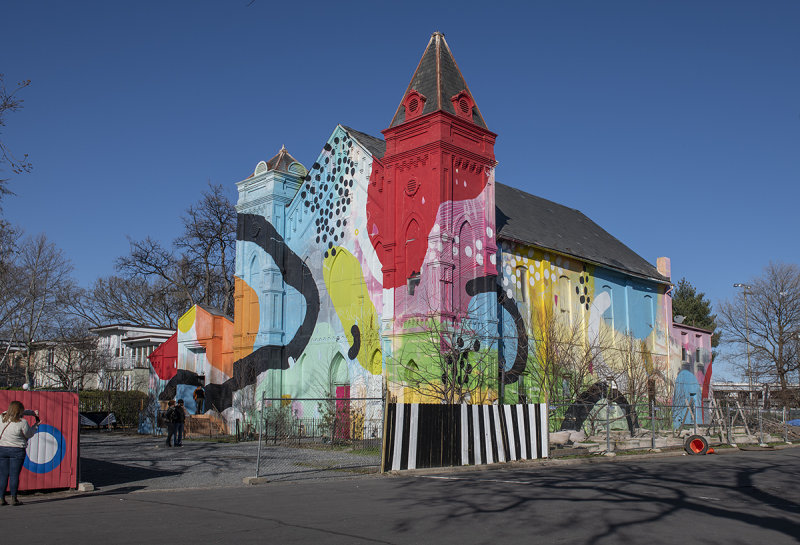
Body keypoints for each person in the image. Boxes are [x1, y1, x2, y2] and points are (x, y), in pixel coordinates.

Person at [0, 400, 40, 506]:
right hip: (17, 450)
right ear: (20, 412)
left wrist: (30, 412)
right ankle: (14, 499)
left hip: (2, 449)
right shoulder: (22, 422)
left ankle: (1, 498)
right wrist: (36, 424)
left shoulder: (2, 417)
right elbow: (29, 434)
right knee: (14, 475)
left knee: (3, 475)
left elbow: (11, 412)